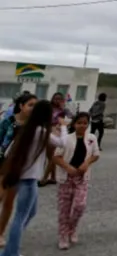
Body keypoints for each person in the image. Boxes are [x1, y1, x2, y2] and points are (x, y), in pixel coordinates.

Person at [0, 99, 64, 256]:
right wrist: (63, 126)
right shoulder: (41, 131)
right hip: (29, 180)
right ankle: (11, 252)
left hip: (20, 177)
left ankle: (10, 249)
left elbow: (8, 152)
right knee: (20, 218)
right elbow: (62, 143)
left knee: (31, 212)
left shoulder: (26, 129)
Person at [54, 112, 100, 250]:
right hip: (66, 177)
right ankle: (63, 235)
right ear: (74, 124)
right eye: (79, 123)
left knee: (80, 205)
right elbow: (56, 157)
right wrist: (68, 168)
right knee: (64, 209)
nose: (82, 125)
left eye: (85, 123)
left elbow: (95, 154)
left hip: (82, 177)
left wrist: (87, 163)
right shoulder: (66, 139)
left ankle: (71, 228)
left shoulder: (91, 138)